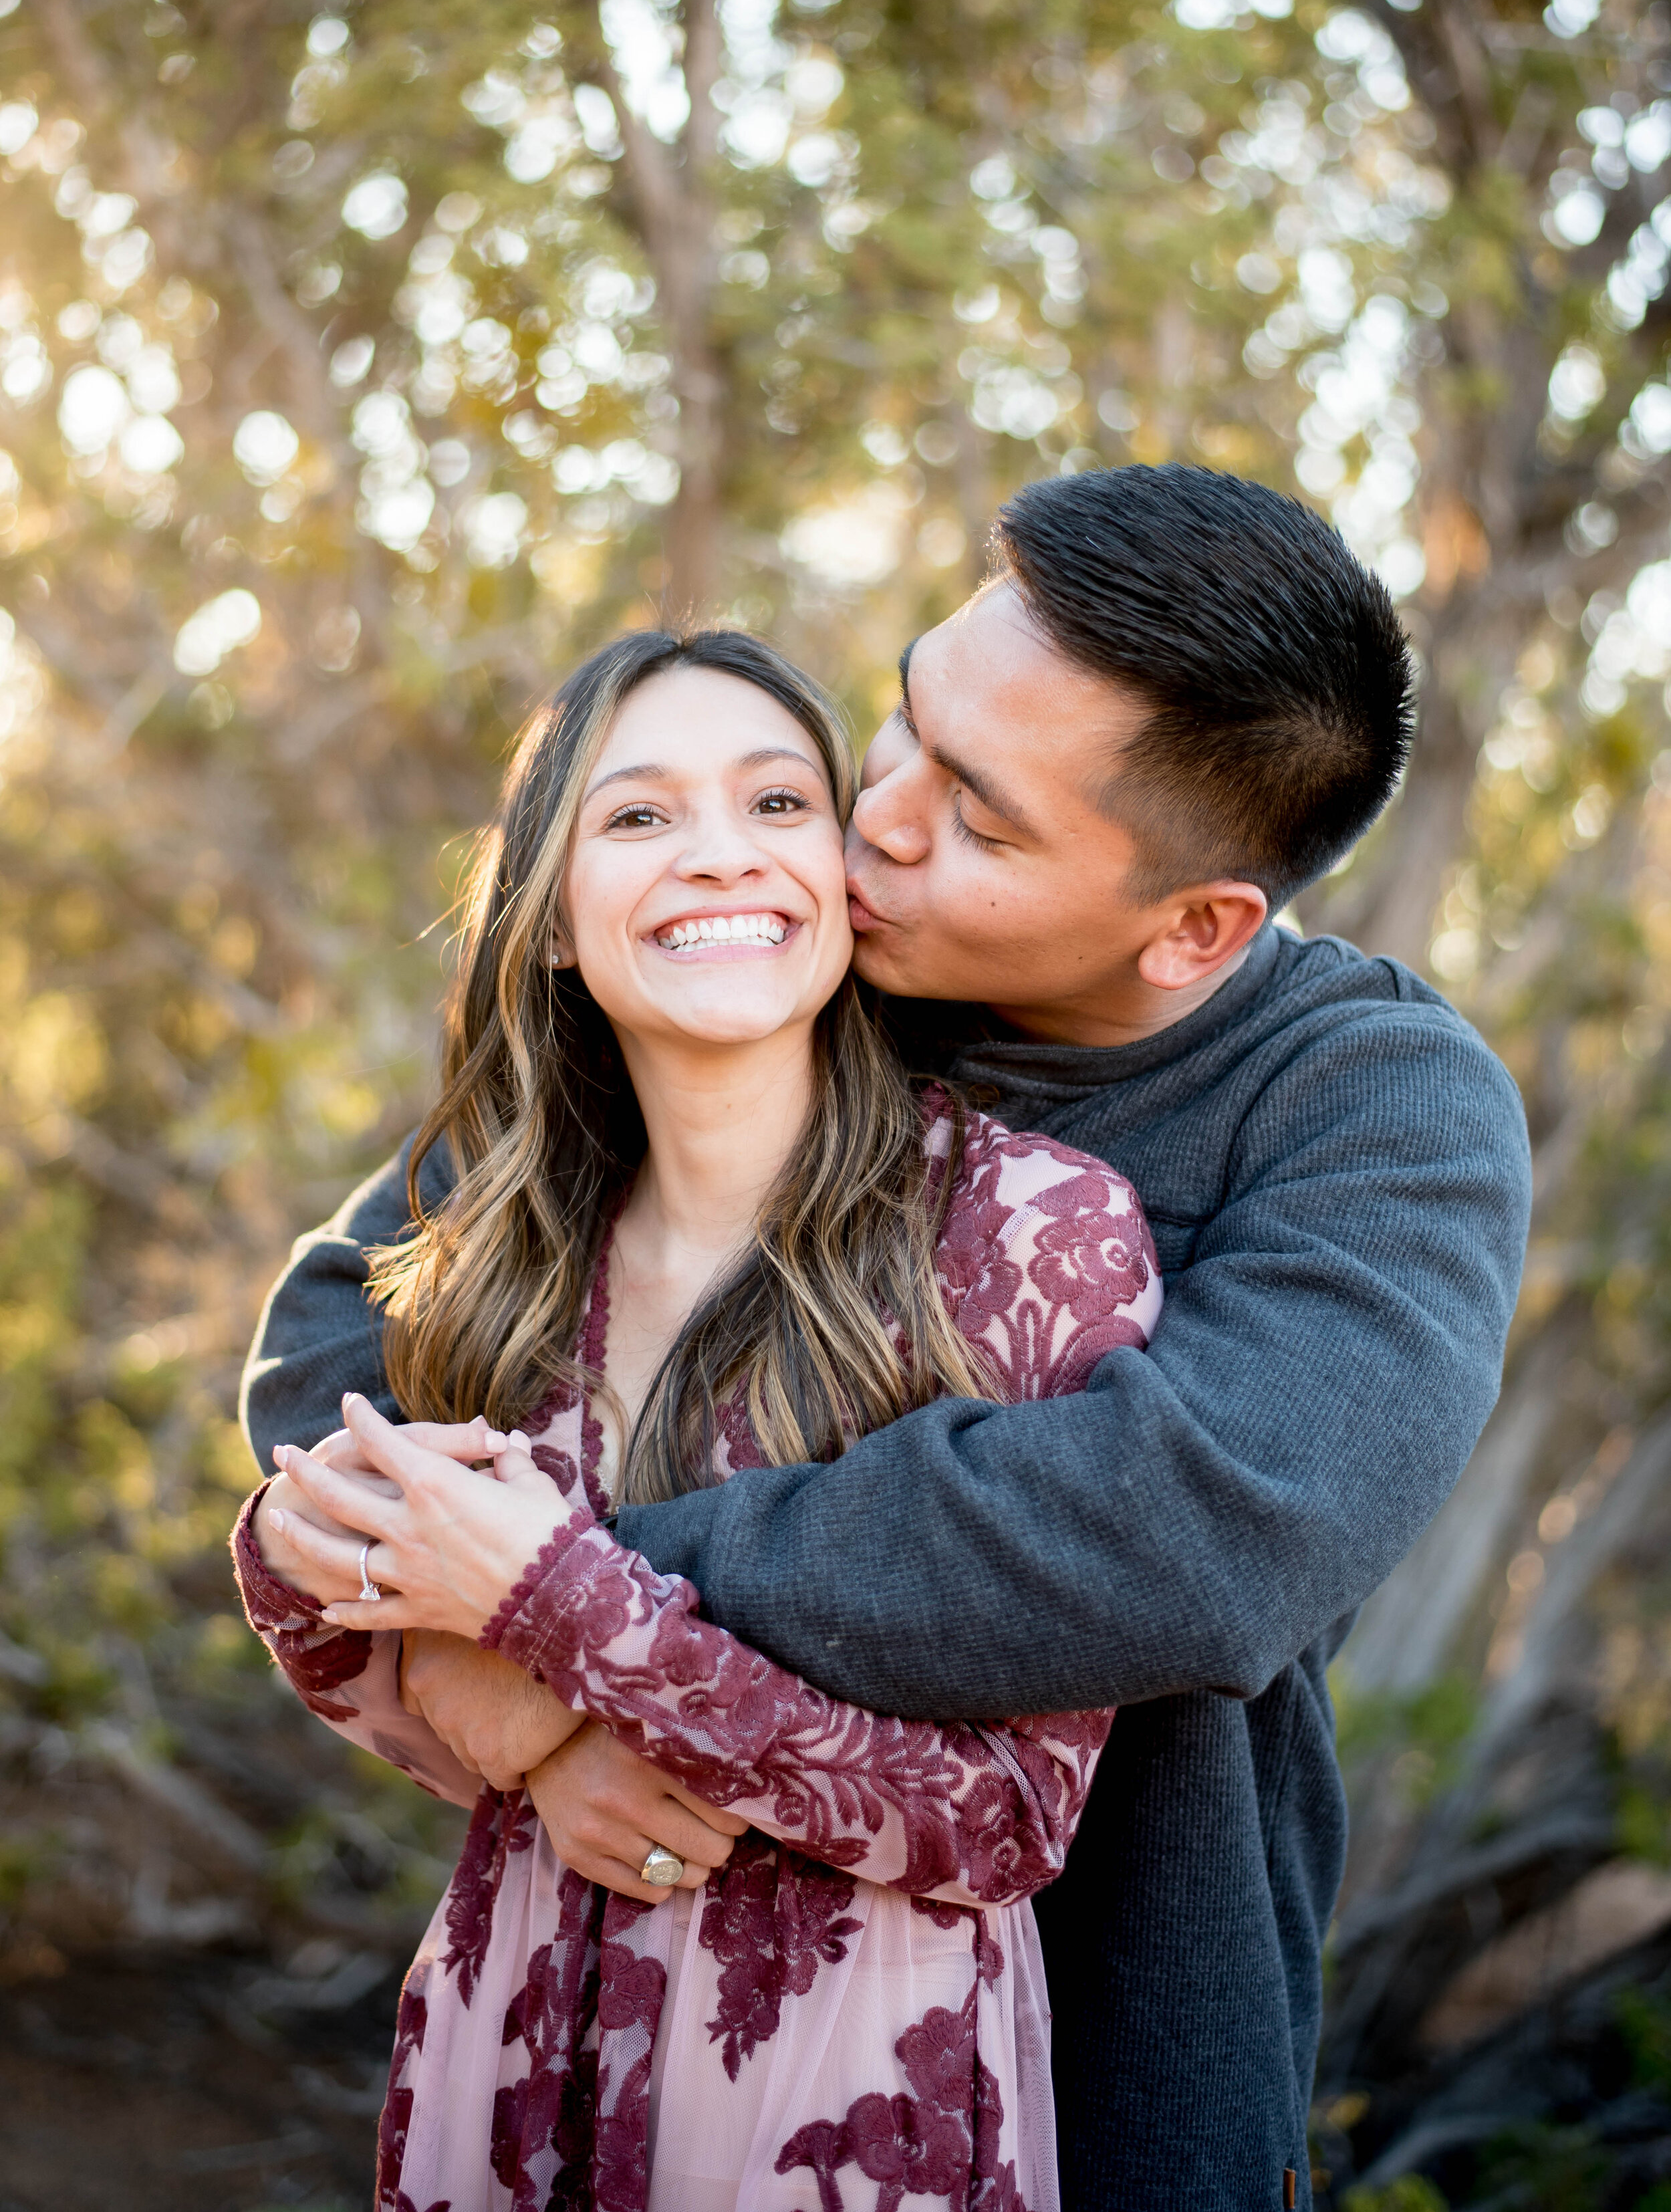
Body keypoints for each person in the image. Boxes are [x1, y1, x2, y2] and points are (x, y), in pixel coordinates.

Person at [243, 464, 1533, 2211]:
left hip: (1092, 2065)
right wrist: (490, 1684)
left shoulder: (1365, 1102)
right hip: (606, 2023)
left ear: (1195, 926)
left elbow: (1200, 1529)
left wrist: (550, 1599)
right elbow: (357, 1310)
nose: (878, 824)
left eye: (978, 819)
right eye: (905, 720)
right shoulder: (791, 951)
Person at [233, 626, 1163, 2212]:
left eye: (777, 801)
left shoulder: (1021, 1236)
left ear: (843, 876)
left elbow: (1002, 1818)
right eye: (638, 816)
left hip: (845, 2101)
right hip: (511, 2041)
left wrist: (559, 1632)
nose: (717, 853)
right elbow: (351, 1628)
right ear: (547, 920)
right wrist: (357, 1594)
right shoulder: (496, 1256)